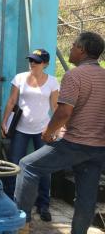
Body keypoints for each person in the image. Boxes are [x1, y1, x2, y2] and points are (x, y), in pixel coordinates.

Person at [14, 31, 105, 234]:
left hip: (75, 144)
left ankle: (22, 225)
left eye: (73, 46)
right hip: (99, 148)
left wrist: (48, 132)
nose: (70, 49)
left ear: (82, 50)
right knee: (86, 197)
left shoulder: (74, 75)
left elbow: (63, 111)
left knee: (27, 166)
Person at [0, 49, 59, 222]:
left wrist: (55, 129)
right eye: (31, 60)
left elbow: (55, 107)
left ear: (46, 64)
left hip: (43, 130)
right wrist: (4, 122)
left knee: (45, 167)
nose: (33, 63)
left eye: (37, 61)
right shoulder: (19, 78)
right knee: (13, 164)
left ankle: (43, 204)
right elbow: (12, 101)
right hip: (20, 129)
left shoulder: (53, 82)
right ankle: (11, 200)